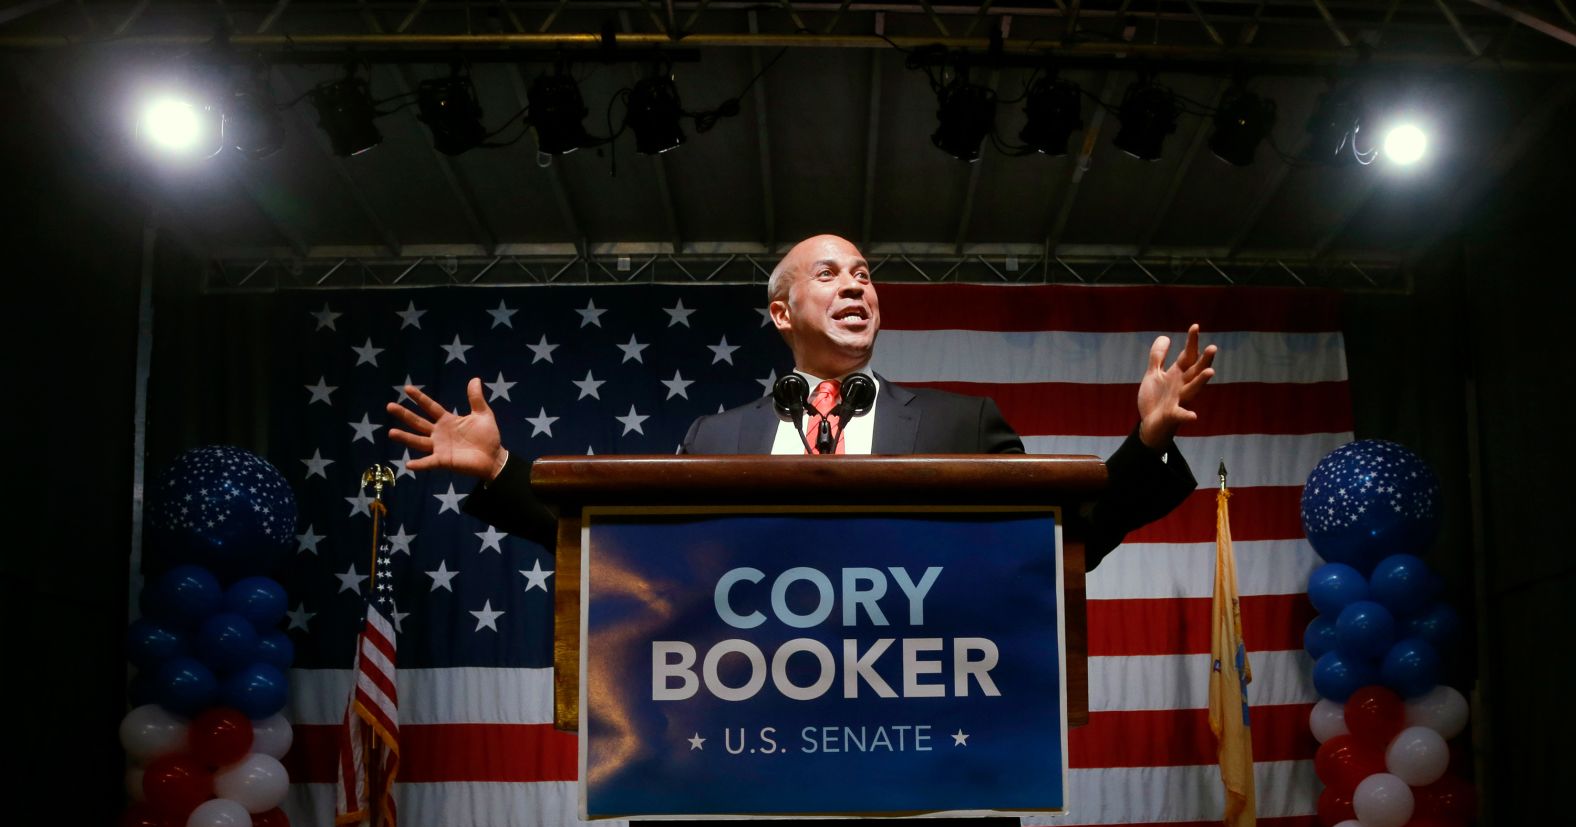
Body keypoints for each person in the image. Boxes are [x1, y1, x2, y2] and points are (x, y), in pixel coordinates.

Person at [387, 233, 1215, 566]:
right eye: (830, 273)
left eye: (865, 275)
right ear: (782, 313)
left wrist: (1142, 444)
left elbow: (1059, 547)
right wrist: (500, 467)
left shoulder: (964, 422)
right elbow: (624, 553)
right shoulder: (715, 437)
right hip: (746, 726)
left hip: (921, 729)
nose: (857, 284)